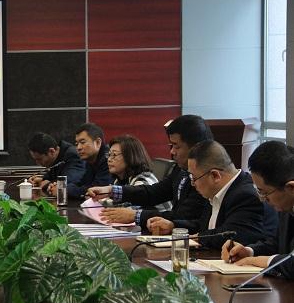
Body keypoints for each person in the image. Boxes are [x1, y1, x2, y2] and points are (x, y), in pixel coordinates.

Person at [87, 114, 213, 233]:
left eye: (176, 146)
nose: (172, 152)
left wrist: (136, 216)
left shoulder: (206, 177)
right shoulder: (180, 169)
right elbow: (155, 192)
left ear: (196, 147)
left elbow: (184, 216)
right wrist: (111, 191)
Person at [151, 140, 274, 249]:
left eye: (194, 178)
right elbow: (207, 227)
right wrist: (173, 226)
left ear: (215, 175)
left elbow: (231, 234)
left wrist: (196, 238)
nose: (193, 184)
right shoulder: (216, 191)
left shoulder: (246, 195)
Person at [222, 141, 294, 279]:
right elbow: (276, 244)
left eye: (264, 192)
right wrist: (249, 251)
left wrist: (260, 261)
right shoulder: (287, 203)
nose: (262, 199)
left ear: (291, 188)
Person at [99, 135, 171, 224]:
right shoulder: (120, 179)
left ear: (130, 156)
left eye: (114, 155)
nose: (109, 159)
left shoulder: (143, 180)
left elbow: (127, 212)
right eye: (109, 155)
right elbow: (116, 204)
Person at [52, 123, 110, 199]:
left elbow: (96, 190)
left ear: (98, 142)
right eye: (76, 144)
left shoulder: (108, 159)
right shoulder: (90, 160)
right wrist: (60, 186)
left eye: (83, 142)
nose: (78, 148)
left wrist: (64, 190)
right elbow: (82, 184)